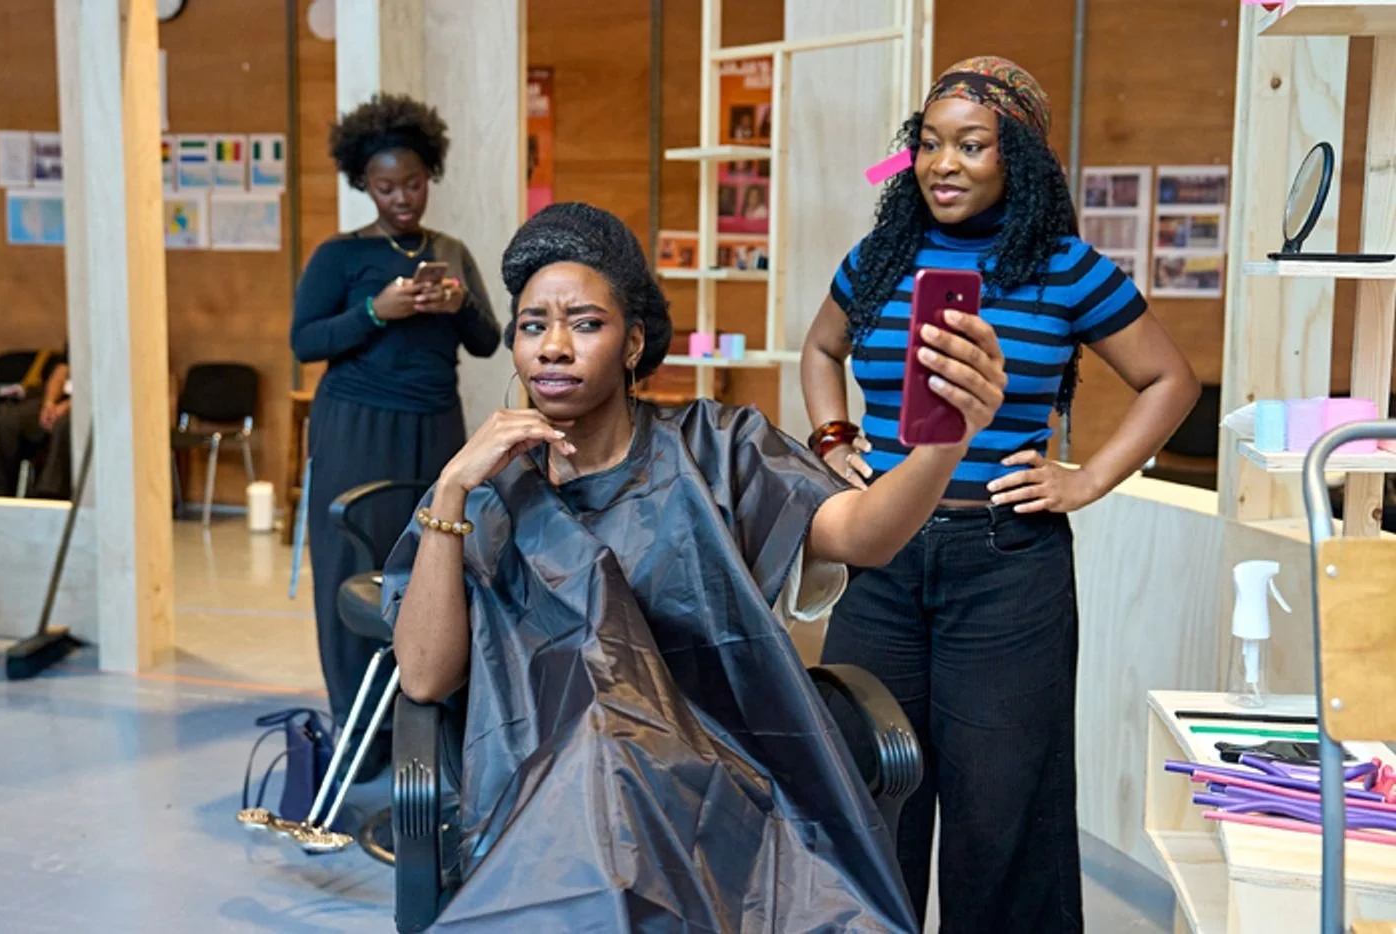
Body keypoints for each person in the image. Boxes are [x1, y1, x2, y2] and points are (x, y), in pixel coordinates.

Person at [381, 202, 1008, 931]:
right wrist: (452, 491)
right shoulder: (483, 491)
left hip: (718, 794)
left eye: (585, 323)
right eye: (532, 325)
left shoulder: (716, 449)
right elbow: (425, 676)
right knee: (601, 776)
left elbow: (865, 536)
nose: (553, 347)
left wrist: (945, 444)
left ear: (633, 341)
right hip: (540, 812)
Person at [800, 56, 1200, 931]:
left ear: (1015, 158)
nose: (943, 164)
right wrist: (832, 439)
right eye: (929, 143)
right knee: (871, 785)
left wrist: (1087, 478)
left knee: (1002, 809)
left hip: (1006, 564)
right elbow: (821, 348)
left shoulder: (1066, 269)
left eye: (971, 145)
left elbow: (1169, 380)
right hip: (882, 560)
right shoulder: (879, 259)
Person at [291, 93, 501, 778]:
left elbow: (488, 339)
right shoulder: (339, 255)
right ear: (364, 183)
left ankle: (429, 730)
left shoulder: (451, 253)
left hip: (437, 426)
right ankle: (360, 739)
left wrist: (459, 304)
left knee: (431, 572)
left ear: (429, 175)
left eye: (413, 183)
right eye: (387, 187)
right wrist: (376, 312)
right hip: (355, 427)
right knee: (351, 570)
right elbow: (304, 342)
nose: (402, 198)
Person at [0, 344, 73, 500]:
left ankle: (49, 495)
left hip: (92, 402)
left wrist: (68, 406)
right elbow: (62, 369)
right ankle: (1, 494)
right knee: (6, 422)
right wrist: (49, 403)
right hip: (61, 398)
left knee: (63, 426)